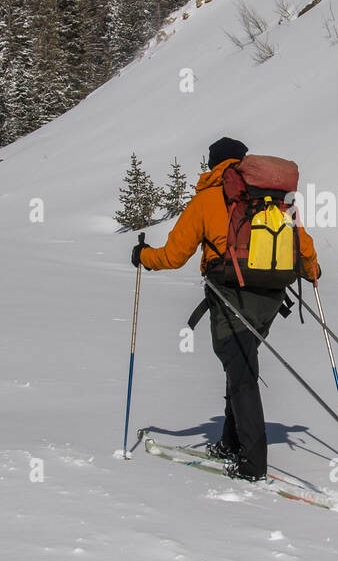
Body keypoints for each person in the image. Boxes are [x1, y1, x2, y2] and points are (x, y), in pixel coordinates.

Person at [131, 137, 321, 481]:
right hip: (271, 299)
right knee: (241, 367)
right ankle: (230, 443)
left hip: (231, 298)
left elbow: (173, 256)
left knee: (242, 376)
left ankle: (252, 464)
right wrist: (313, 271)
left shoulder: (207, 200)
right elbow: (301, 243)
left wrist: (142, 256)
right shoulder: (272, 201)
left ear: (211, 164)